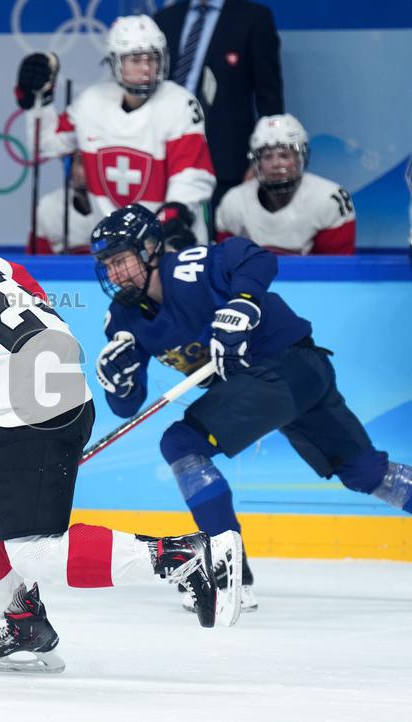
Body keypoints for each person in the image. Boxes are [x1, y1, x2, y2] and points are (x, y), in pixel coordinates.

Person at [0, 186, 242, 673]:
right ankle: (21, 619)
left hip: (25, 413)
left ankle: (188, 555)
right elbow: (33, 334)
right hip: (42, 405)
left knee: (32, 552)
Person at [90, 203, 412, 613]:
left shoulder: (188, 269)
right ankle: (230, 574)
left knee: (181, 443)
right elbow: (127, 406)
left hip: (287, 365)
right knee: (367, 473)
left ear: (151, 247)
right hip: (287, 379)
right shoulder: (123, 317)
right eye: (107, 265)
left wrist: (243, 301)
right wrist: (119, 382)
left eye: (121, 260)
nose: (114, 273)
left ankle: (229, 578)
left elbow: (253, 256)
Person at [15, 15, 214, 247]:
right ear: (115, 62)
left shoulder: (180, 103)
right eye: (135, 60)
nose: (146, 68)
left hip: (172, 242)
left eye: (152, 58)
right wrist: (39, 101)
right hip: (115, 250)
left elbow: (191, 174)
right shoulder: (90, 103)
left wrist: (175, 213)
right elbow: (45, 144)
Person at [155, 0, 284, 210]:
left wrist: (263, 157)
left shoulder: (253, 18)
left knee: (218, 238)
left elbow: (269, 95)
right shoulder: (165, 18)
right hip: (162, 153)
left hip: (225, 162)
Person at [216, 115, 355, 255]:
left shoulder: (329, 199)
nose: (276, 164)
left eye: (284, 155)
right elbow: (226, 266)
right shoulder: (234, 202)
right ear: (257, 162)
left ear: (299, 158)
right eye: (267, 156)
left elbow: (335, 270)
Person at [31, 151, 101, 254]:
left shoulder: (122, 207)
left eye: (94, 161)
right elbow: (37, 264)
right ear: (68, 167)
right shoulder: (48, 207)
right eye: (82, 162)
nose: (90, 169)